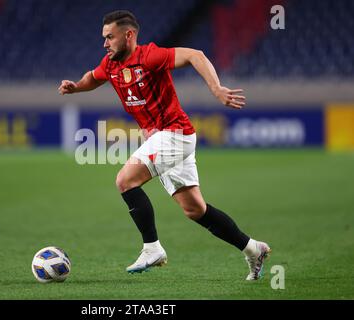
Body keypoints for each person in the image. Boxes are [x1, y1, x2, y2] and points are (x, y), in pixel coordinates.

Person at [58, 10, 271, 280]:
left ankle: (152, 248)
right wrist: (76, 87)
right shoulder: (111, 64)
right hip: (163, 138)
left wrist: (217, 89)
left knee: (125, 180)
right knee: (195, 209)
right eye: (104, 38)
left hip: (174, 133)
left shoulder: (150, 57)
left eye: (110, 37)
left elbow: (196, 55)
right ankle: (253, 249)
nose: (105, 43)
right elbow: (94, 76)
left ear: (129, 35)